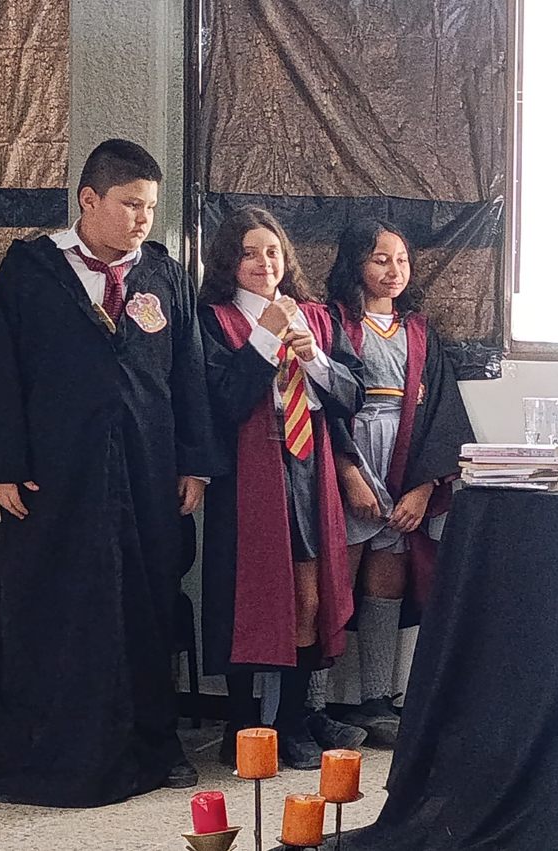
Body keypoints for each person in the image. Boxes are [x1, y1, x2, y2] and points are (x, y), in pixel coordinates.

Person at [0, 139, 215, 806]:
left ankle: (153, 743)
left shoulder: (163, 275)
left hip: (146, 474)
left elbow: (188, 373)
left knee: (146, 606)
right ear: (89, 200)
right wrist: (0, 467)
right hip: (56, 479)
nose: (142, 219)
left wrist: (194, 463)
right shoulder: (32, 270)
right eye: (130, 204)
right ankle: (44, 750)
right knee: (54, 607)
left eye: (150, 207)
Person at [197, 206, 367, 770]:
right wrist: (264, 339)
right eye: (248, 252)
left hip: (307, 466)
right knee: (247, 596)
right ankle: (242, 723)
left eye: (271, 251)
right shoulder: (214, 320)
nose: (263, 263)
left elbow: (352, 394)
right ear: (229, 261)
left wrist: (313, 357)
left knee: (307, 596)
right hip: (246, 474)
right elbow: (222, 401)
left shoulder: (316, 317)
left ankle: (292, 721)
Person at [311, 219, 476, 745]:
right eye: (380, 259)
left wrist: (423, 489)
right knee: (335, 579)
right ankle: (313, 703)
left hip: (403, 460)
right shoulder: (332, 323)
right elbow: (322, 404)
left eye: (401, 260)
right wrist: (348, 474)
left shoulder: (420, 332)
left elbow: (443, 416)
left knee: (390, 579)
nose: (393, 270)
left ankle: (377, 697)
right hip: (350, 457)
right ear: (355, 262)